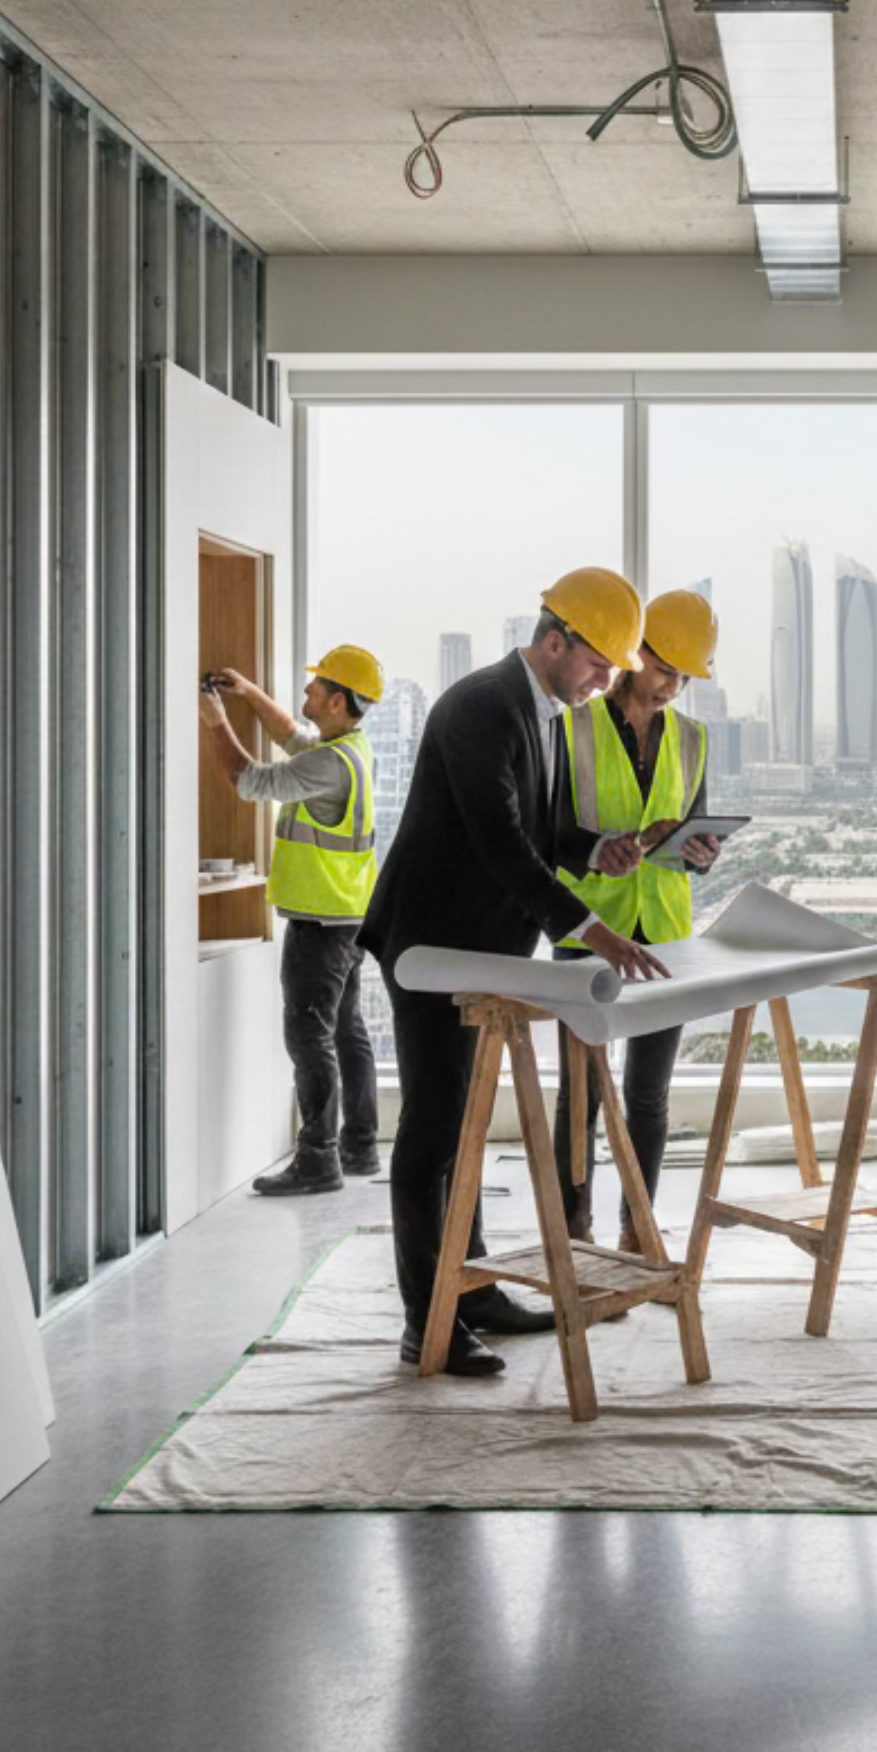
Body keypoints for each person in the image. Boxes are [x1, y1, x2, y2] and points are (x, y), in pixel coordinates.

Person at [360, 569, 670, 1379]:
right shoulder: (479, 706)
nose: (608, 681)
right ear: (555, 641)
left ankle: (475, 1291)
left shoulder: (539, 711)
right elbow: (499, 843)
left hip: (479, 951)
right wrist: (591, 929)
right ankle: (427, 1318)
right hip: (431, 950)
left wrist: (590, 848)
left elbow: (540, 827)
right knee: (431, 1134)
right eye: (600, 664)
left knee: (462, 1129)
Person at [549, 589, 724, 1251]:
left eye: (685, 676)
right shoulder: (572, 727)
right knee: (581, 1095)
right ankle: (574, 1229)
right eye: (666, 670)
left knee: (648, 1096)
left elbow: (692, 842)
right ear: (634, 654)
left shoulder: (693, 738)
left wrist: (701, 854)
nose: (674, 687)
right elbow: (552, 831)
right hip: (589, 929)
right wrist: (603, 848)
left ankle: (637, 1231)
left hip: (664, 936)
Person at [199, 646, 384, 1197]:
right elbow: (289, 736)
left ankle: (318, 1160)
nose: (304, 697)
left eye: (313, 689)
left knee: (309, 1039)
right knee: (347, 1033)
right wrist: (249, 695)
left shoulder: (328, 764)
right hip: (349, 916)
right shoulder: (349, 749)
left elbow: (249, 780)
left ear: (335, 699)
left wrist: (214, 721)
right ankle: (359, 1146)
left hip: (320, 923)